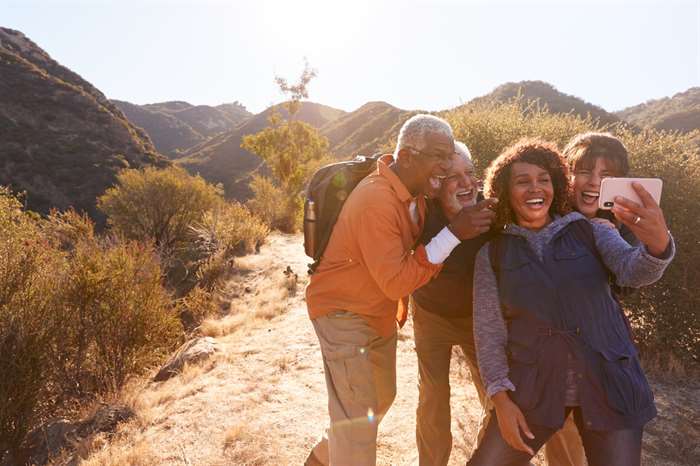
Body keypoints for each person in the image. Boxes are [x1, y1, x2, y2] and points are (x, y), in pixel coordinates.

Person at [304, 115, 497, 466]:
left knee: (378, 401)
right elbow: (396, 280)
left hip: (376, 312)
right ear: (407, 156)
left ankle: (319, 459)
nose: (445, 166)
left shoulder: (419, 194)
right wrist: (455, 233)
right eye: (439, 156)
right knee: (358, 426)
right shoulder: (377, 200)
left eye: (449, 156)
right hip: (342, 312)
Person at [468, 139, 675, 466]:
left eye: (544, 179)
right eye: (522, 181)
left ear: (556, 185)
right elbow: (489, 334)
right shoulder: (491, 255)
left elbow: (632, 271)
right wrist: (500, 400)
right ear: (505, 191)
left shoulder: (592, 230)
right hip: (535, 391)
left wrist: (658, 245)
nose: (535, 188)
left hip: (608, 384)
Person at [411, 141, 496, 465]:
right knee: (433, 397)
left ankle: (487, 457)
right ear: (435, 186)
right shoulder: (420, 215)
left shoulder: (493, 215)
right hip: (430, 315)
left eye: (470, 174)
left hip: (478, 318)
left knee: (495, 395)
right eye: (453, 177)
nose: (467, 183)